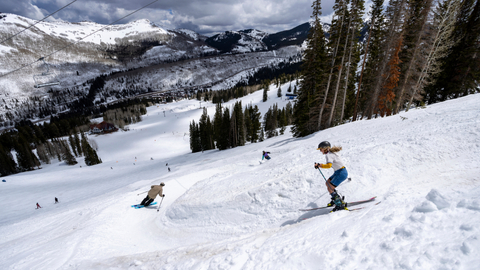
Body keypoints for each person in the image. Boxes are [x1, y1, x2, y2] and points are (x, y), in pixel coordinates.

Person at [314, 141, 349, 212]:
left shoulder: (329, 155)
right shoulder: (331, 152)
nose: (320, 151)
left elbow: (329, 165)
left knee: (330, 188)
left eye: (321, 149)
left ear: (324, 148)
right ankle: (335, 198)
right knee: (328, 183)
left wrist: (319, 165)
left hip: (341, 173)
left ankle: (339, 205)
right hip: (338, 172)